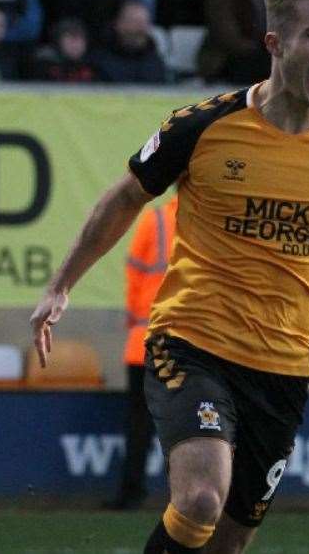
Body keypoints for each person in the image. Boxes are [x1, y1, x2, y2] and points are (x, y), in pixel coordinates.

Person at [29, 0, 309, 554]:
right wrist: (62, 284)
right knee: (201, 499)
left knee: (227, 542)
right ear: (274, 43)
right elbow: (127, 195)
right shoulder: (202, 127)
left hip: (282, 369)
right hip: (192, 341)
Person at [105, 193, 179, 511]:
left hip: (145, 340)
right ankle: (184, 498)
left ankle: (131, 493)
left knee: (139, 421)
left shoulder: (156, 220)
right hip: (188, 343)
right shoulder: (213, 222)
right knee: (183, 422)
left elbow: (134, 273)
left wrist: (134, 316)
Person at [93, 1, 168, 84]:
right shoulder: (99, 61)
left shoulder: (155, 62)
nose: (141, 28)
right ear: (119, 24)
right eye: (135, 22)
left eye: (144, 23)